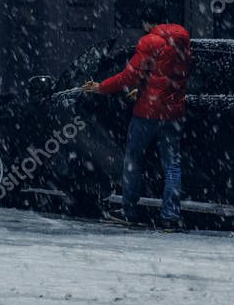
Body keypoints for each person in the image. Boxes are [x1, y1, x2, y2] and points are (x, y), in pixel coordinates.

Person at [82, 22, 191, 231]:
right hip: (173, 113)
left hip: (147, 113)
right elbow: (170, 75)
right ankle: (170, 216)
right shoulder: (183, 40)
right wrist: (143, 88)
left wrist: (101, 87)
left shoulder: (150, 41)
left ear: (147, 23)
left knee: (133, 159)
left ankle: (129, 211)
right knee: (172, 165)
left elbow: (129, 75)